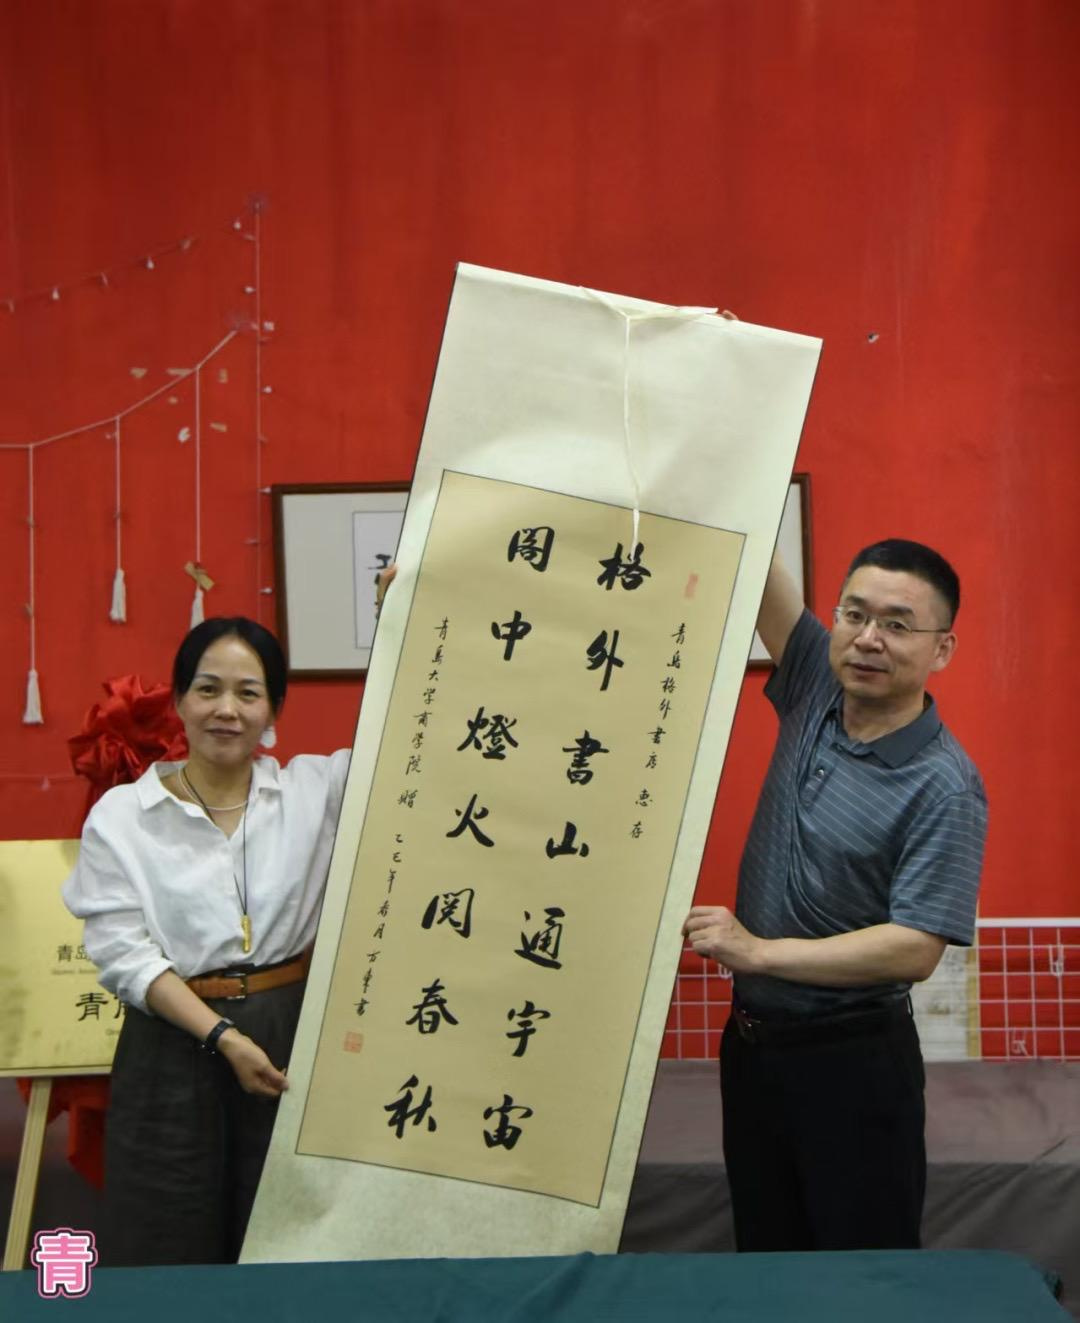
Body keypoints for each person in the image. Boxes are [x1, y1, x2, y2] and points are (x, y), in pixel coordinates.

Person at [683, 539, 987, 1252]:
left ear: (941, 648)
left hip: (853, 1062)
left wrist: (758, 952)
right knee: (767, 1257)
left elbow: (914, 947)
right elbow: (760, 566)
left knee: (862, 1274)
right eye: (855, 614)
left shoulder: (946, 784)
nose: (868, 638)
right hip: (752, 1050)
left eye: (897, 624)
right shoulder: (816, 687)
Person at [63, 617, 350, 1265]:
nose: (227, 709)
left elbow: (412, 731)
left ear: (274, 709)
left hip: (288, 1032)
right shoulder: (124, 816)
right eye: (208, 688)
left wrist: (402, 614)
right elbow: (125, 955)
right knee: (167, 1230)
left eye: (249, 693)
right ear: (179, 699)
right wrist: (223, 1036)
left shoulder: (317, 791)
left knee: (285, 1234)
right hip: (172, 1041)